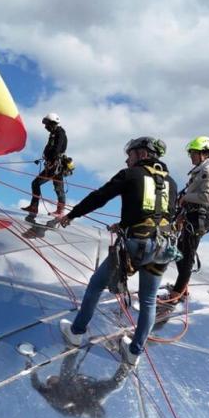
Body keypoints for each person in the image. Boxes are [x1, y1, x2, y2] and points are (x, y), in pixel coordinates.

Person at [56, 137, 178, 366]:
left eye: (130, 153)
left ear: (142, 153)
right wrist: (123, 226)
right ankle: (134, 352)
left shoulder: (130, 174)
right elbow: (159, 214)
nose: (127, 158)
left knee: (96, 285)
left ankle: (77, 332)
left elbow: (100, 197)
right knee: (149, 301)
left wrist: (72, 215)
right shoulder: (170, 182)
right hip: (163, 248)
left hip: (136, 245)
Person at [166, 136, 209, 304]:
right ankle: (182, 288)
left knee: (186, 255)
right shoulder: (204, 168)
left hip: (199, 217)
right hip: (195, 215)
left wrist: (185, 197)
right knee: (182, 250)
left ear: (204, 153)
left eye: (193, 153)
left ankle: (177, 293)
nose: (191, 157)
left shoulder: (208, 169)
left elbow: (207, 196)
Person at [21, 113, 70, 217]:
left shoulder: (60, 134)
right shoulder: (53, 133)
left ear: (52, 123)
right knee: (57, 187)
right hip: (53, 165)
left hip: (56, 166)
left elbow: (57, 149)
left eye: (47, 124)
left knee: (39, 184)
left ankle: (57, 211)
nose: (45, 127)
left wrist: (51, 161)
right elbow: (50, 148)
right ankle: (38, 208)